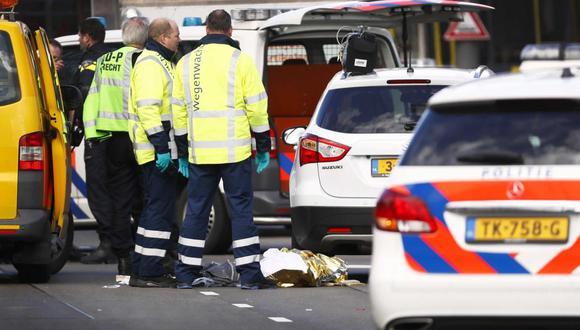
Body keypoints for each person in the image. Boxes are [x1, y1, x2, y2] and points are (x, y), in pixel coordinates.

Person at [172, 9, 274, 290]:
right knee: (240, 210)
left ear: (206, 29)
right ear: (230, 31)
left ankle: (186, 273)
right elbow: (256, 104)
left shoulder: (186, 62)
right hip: (235, 151)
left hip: (200, 152)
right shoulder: (240, 61)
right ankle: (250, 275)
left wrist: (181, 150)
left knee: (196, 211)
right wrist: (263, 144)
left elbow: (178, 111)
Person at [82, 17, 149, 279]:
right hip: (138, 137)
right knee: (146, 199)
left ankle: (124, 258)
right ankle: (149, 255)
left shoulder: (106, 60)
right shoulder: (144, 60)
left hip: (110, 139)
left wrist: (93, 135)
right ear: (144, 38)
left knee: (120, 201)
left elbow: (93, 98)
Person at [128, 18, 181, 288]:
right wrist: (161, 147)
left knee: (154, 212)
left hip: (159, 150)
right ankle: (149, 271)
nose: (178, 39)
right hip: (155, 151)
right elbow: (148, 110)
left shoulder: (161, 62)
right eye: (175, 35)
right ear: (162, 38)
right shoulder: (150, 64)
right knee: (158, 213)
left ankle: (141, 267)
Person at [71, 18, 116, 264]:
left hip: (97, 135)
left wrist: (74, 124)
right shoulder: (113, 58)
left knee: (99, 190)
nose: (79, 41)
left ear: (87, 37)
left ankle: (107, 243)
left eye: (80, 36)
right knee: (119, 189)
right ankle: (120, 244)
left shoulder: (88, 61)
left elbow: (83, 95)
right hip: (119, 133)